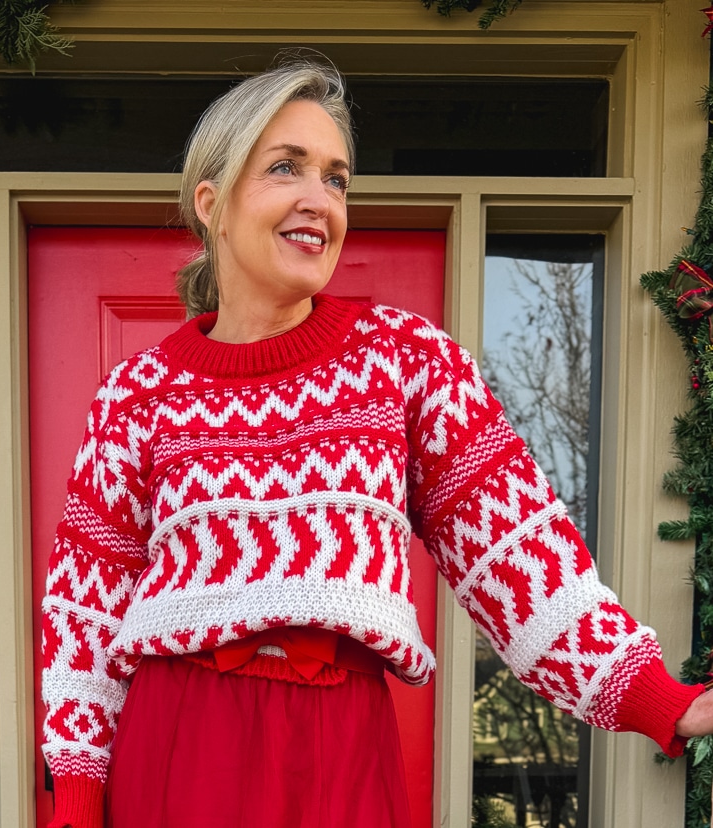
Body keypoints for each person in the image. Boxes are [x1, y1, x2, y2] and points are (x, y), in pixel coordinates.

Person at [41, 56, 713, 828]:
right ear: (213, 204)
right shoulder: (137, 395)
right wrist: (79, 794)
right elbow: (83, 614)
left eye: (336, 177)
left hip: (341, 747)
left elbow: (519, 554)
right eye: (285, 168)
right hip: (182, 743)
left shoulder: (405, 362)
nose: (317, 199)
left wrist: (665, 702)